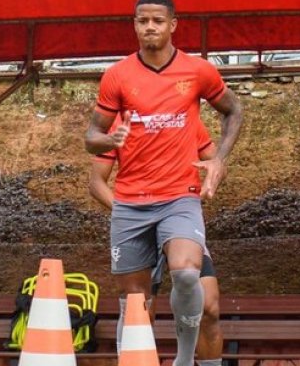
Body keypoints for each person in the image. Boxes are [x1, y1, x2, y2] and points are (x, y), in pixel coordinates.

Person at [84, 0, 244, 366]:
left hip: (178, 199)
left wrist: (217, 163)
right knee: (135, 305)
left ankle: (185, 360)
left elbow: (233, 111)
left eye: (158, 20)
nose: (150, 27)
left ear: (173, 24)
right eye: (143, 20)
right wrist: (108, 139)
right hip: (132, 206)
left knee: (190, 278)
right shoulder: (117, 78)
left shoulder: (198, 72)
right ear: (134, 25)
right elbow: (92, 141)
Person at [88, 114, 223, 365]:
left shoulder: (183, 116)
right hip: (139, 224)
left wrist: (195, 197)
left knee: (210, 307)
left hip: (178, 223)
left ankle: (186, 361)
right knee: (137, 307)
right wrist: (127, 213)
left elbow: (215, 161)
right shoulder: (121, 122)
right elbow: (96, 183)